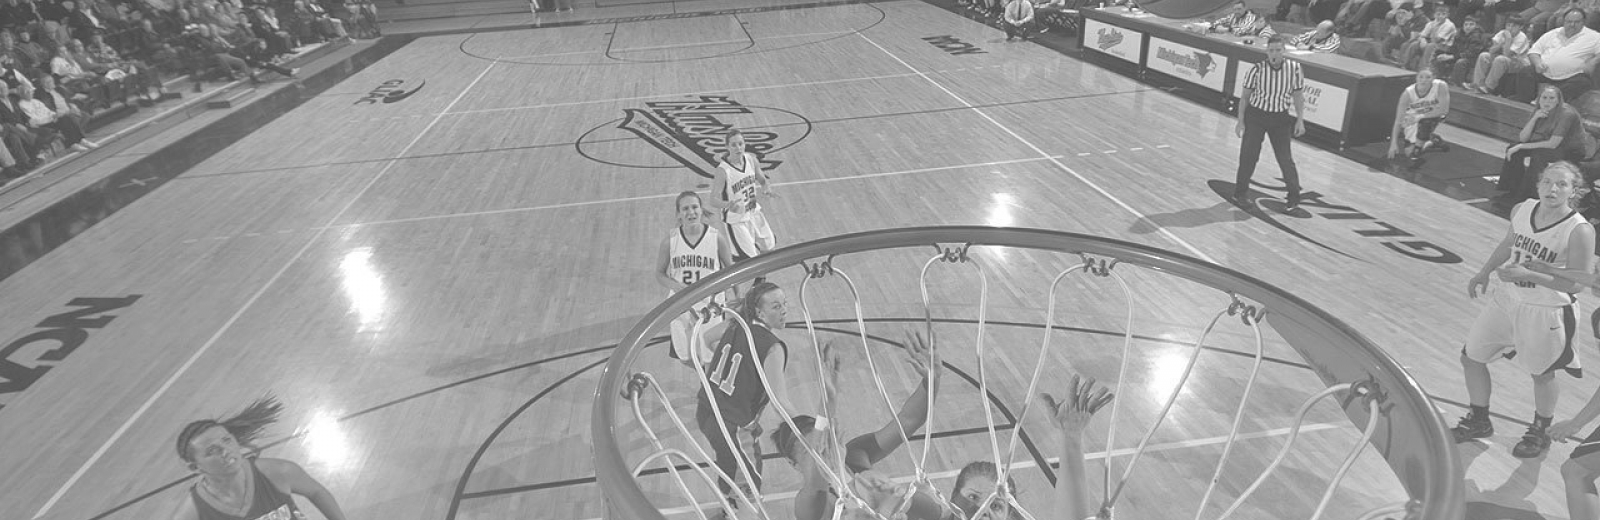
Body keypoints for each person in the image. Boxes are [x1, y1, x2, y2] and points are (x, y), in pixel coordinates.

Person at [776, 350, 1114, 520]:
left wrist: (931, 382)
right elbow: (816, 481)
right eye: (809, 448)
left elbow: (909, 419)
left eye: (827, 436)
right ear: (795, 463)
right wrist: (826, 407)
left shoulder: (856, 455)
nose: (821, 447)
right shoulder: (813, 505)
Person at [1453, 161, 1596, 459]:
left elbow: (1577, 284)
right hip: (1507, 299)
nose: (1552, 189)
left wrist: (1531, 275)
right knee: (1471, 357)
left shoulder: (1579, 230)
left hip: (1546, 310)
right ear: (1538, 184)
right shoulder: (1522, 208)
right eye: (1547, 182)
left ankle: (1540, 430)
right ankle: (1479, 419)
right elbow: (1508, 243)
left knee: (1541, 375)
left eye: (1561, 184)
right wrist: (1484, 272)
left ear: (1574, 191)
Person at [695, 281, 805, 511]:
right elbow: (780, 401)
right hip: (731, 424)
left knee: (727, 464)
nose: (784, 310)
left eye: (784, 303)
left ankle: (727, 510)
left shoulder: (735, 324)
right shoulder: (773, 347)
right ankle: (736, 510)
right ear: (759, 312)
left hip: (705, 410)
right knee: (749, 491)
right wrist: (810, 429)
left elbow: (705, 339)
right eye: (775, 306)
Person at [171, 396, 350, 520]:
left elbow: (317, 492)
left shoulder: (277, 472)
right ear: (195, 468)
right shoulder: (192, 512)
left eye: (227, 440)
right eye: (212, 451)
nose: (225, 451)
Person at [657, 190, 738, 368]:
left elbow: (732, 270)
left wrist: (736, 296)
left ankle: (709, 389)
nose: (691, 212)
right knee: (685, 357)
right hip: (680, 302)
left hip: (711, 303)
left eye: (695, 207)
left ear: (701, 210)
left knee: (711, 357)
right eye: (685, 208)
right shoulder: (670, 241)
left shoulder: (716, 237)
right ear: (678, 214)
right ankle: (705, 377)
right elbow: (659, 274)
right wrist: (675, 286)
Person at [1233, 35, 1306, 212]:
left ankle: (1294, 197)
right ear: (1267, 51)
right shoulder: (1256, 70)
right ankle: (1240, 193)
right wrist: (1240, 121)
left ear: (1284, 51)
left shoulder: (1295, 69)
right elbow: (1245, 97)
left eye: (1278, 50)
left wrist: (1300, 120)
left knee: (1285, 159)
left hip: (1280, 118)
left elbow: (1298, 96)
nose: (1274, 54)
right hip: (1257, 116)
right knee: (1249, 156)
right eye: (1271, 50)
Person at [1497, 85, 1592, 205]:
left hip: (1571, 150)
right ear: (1539, 99)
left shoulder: (1567, 114)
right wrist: (1534, 118)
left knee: (1539, 154)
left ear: (1559, 100)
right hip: (1550, 144)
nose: (1547, 101)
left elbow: (1553, 144)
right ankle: (1512, 188)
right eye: (1544, 97)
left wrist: (1521, 146)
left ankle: (1530, 195)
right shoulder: (1539, 110)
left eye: (1552, 98)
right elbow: (1523, 138)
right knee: (1513, 149)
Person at [707, 130, 776, 269]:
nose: (738, 148)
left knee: (769, 248)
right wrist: (728, 204)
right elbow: (713, 200)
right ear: (727, 147)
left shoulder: (751, 159)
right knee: (749, 261)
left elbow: (762, 179)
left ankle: (760, 277)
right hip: (736, 219)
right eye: (734, 145)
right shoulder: (723, 171)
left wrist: (766, 187)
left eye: (741, 144)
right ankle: (755, 281)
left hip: (753, 211)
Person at [1526, 7, 1600, 103]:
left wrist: (1594, 61)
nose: (1572, 25)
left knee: (1583, 82)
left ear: (1583, 22)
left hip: (1572, 76)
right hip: (1545, 72)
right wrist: (1537, 63)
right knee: (1526, 72)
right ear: (1564, 21)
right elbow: (1534, 51)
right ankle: (1524, 105)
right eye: (1569, 21)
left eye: (1577, 22)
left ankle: (1549, 103)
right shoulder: (1553, 33)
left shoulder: (1594, 37)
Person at [1389, 69, 1452, 164]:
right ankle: (1432, 141)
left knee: (1425, 122)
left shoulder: (1440, 86)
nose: (1424, 80)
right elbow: (1398, 121)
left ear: (1433, 78)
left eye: (1428, 77)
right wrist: (1393, 143)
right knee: (1408, 152)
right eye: (1421, 77)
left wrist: (1421, 116)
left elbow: (1444, 110)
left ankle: (1418, 149)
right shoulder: (1408, 93)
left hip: (1434, 115)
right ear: (1416, 78)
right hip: (1412, 119)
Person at [1472, 14, 1532, 94]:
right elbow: (1491, 51)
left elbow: (1507, 54)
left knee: (1500, 59)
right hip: (1503, 59)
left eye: (1513, 26)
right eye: (1508, 25)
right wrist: (1500, 44)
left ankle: (1489, 87)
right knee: (1484, 56)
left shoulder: (1522, 37)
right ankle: (1477, 84)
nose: (1510, 28)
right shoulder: (1502, 33)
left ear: (1520, 27)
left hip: (1518, 63)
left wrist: (1508, 39)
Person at [1437, 16, 1490, 84]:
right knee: (1440, 55)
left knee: (1461, 62)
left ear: (1476, 26)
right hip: (1460, 56)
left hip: (1474, 59)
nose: (1468, 27)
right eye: (1466, 24)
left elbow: (1471, 53)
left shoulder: (1477, 36)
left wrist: (1451, 57)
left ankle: (1457, 84)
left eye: (1471, 24)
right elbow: (1453, 49)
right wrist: (1446, 54)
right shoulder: (1459, 34)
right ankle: (1439, 78)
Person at [1211, 0, 1276, 37]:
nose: (1237, 12)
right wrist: (1217, 26)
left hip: (1265, 36)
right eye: (1235, 9)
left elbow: (1241, 31)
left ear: (1245, 8)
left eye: (1239, 9)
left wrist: (1227, 29)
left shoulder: (1250, 17)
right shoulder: (1233, 16)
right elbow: (1215, 22)